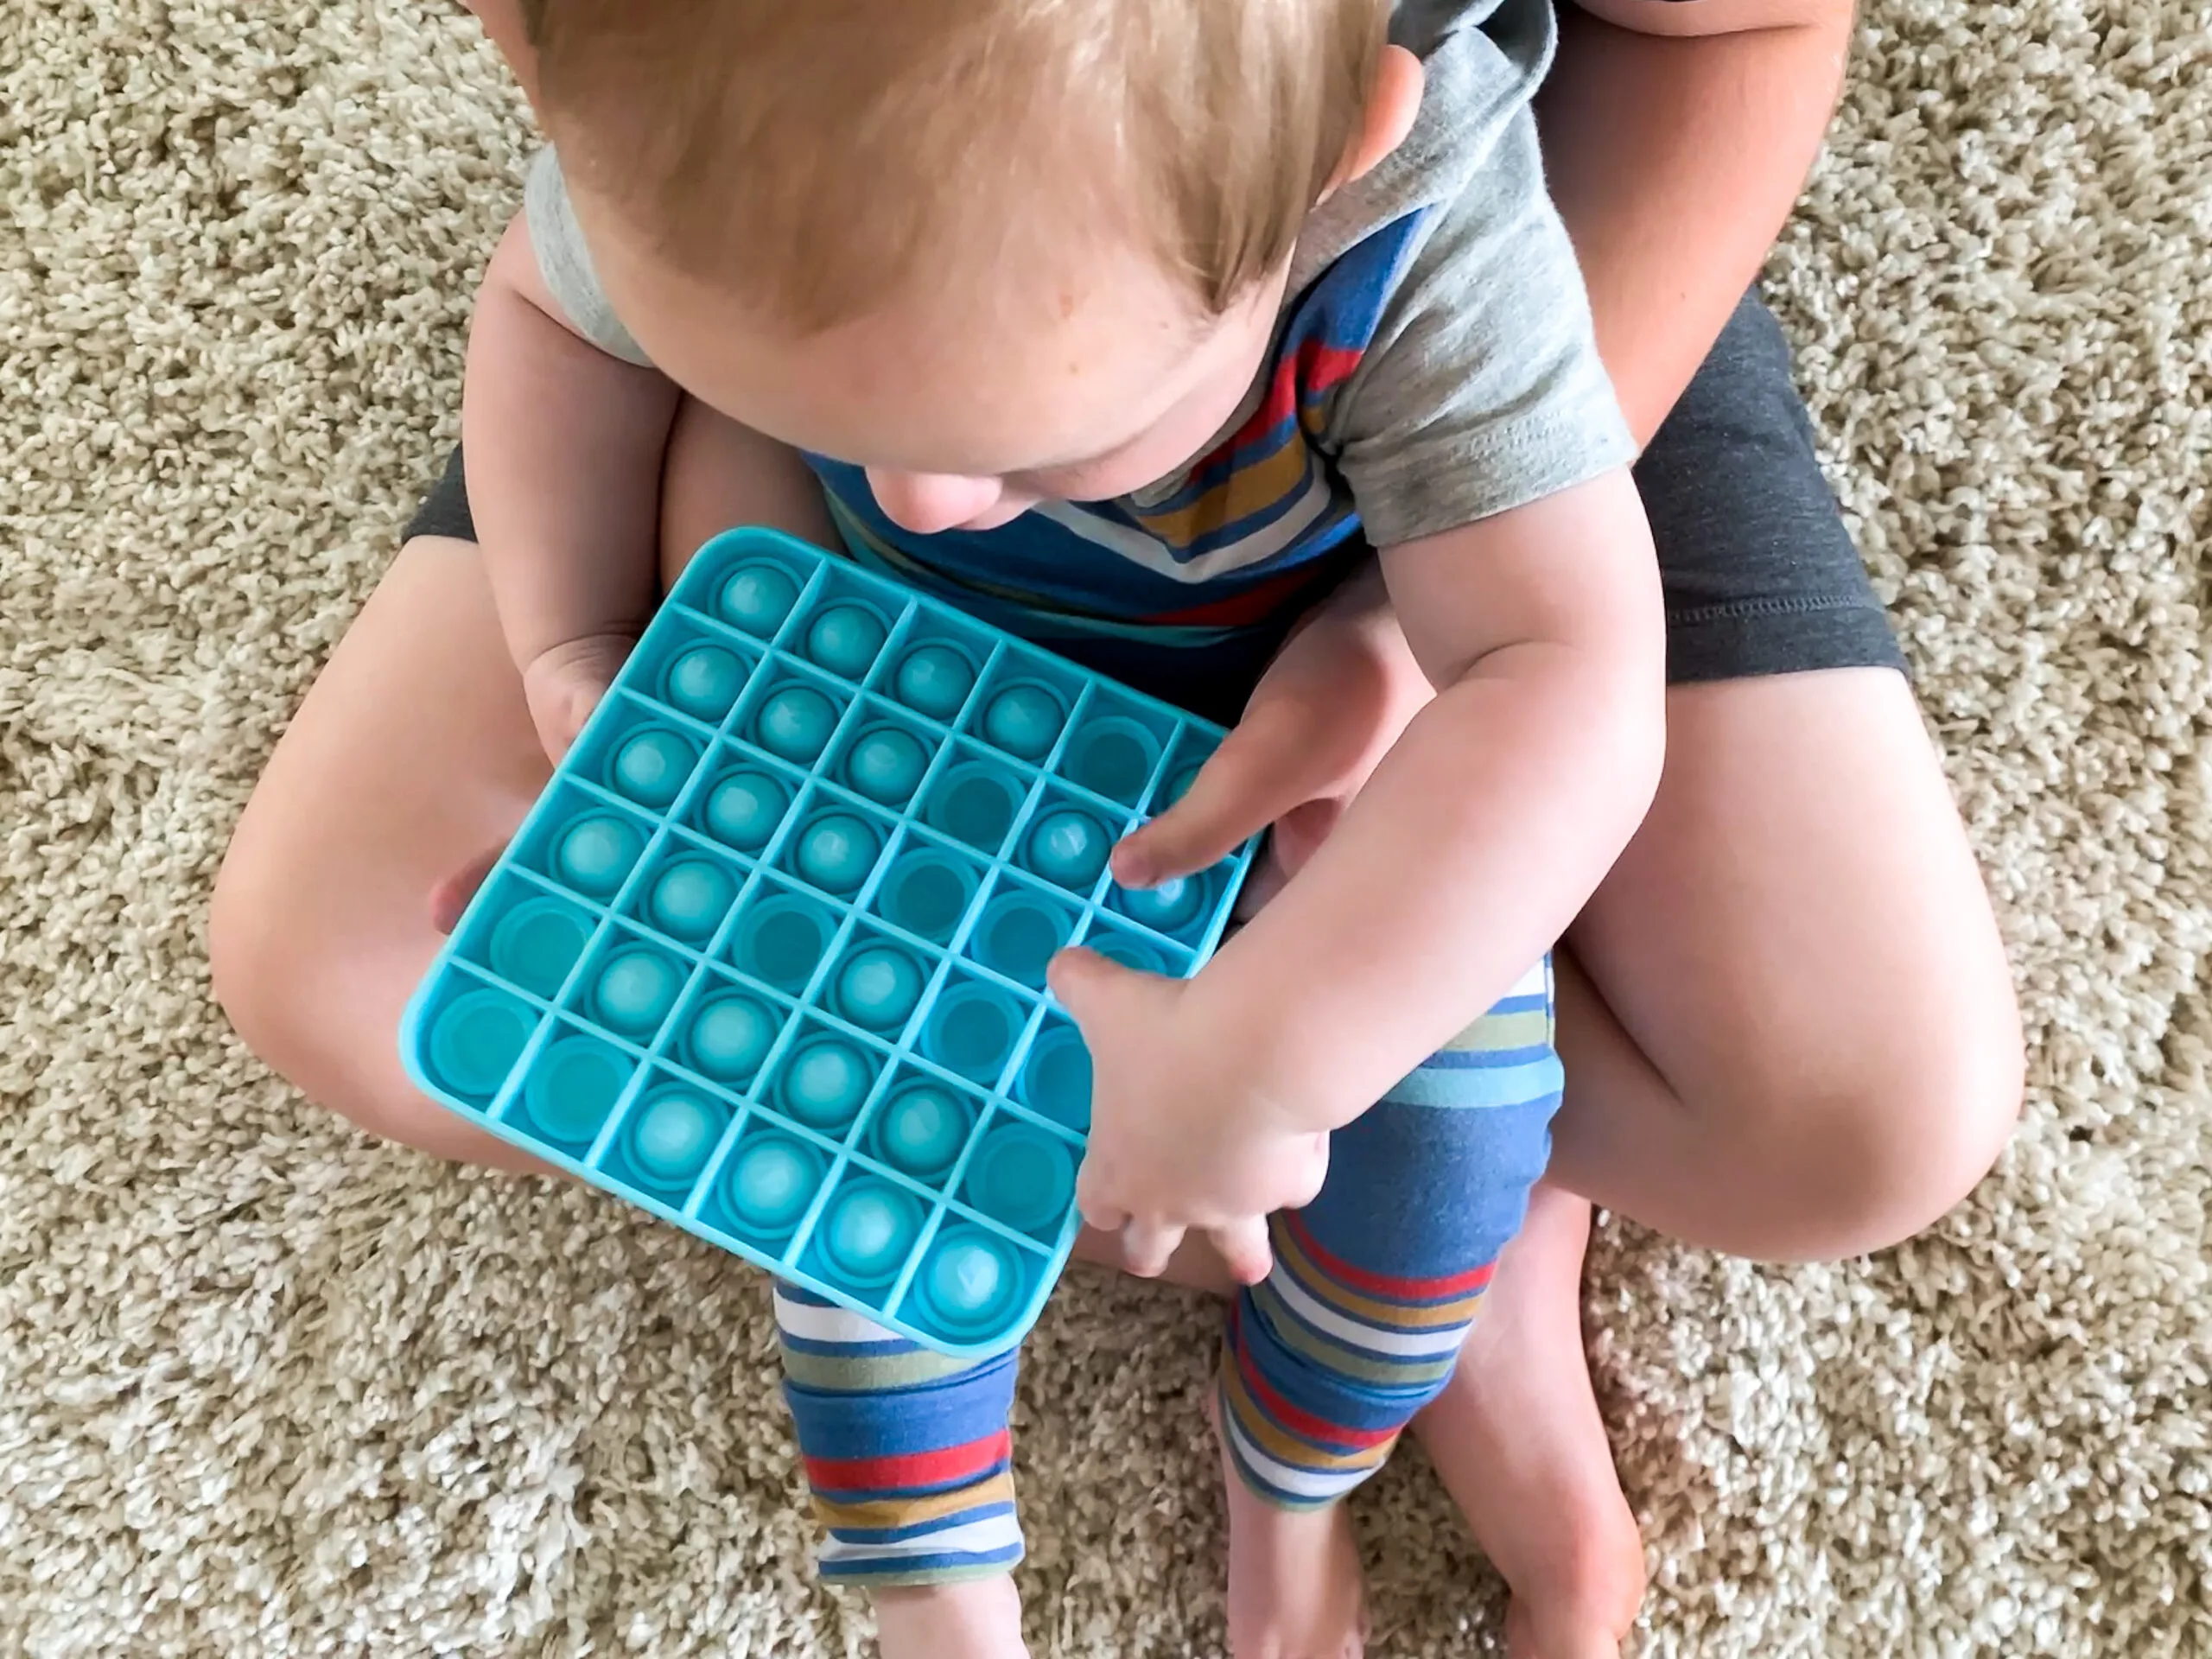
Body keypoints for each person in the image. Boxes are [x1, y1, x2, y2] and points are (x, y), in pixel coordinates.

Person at [210, 1, 2024, 1656]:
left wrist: (1273, 1040)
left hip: (1441, 391)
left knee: (1862, 1120)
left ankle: (1430, 1214)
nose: (935, 498)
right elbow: (551, 315)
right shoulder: (684, 152)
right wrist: (574, 640)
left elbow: (1560, 663)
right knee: (356, 970)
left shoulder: (1423, 234)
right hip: (811, 239)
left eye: (1023, 448)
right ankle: (1085, 1306)